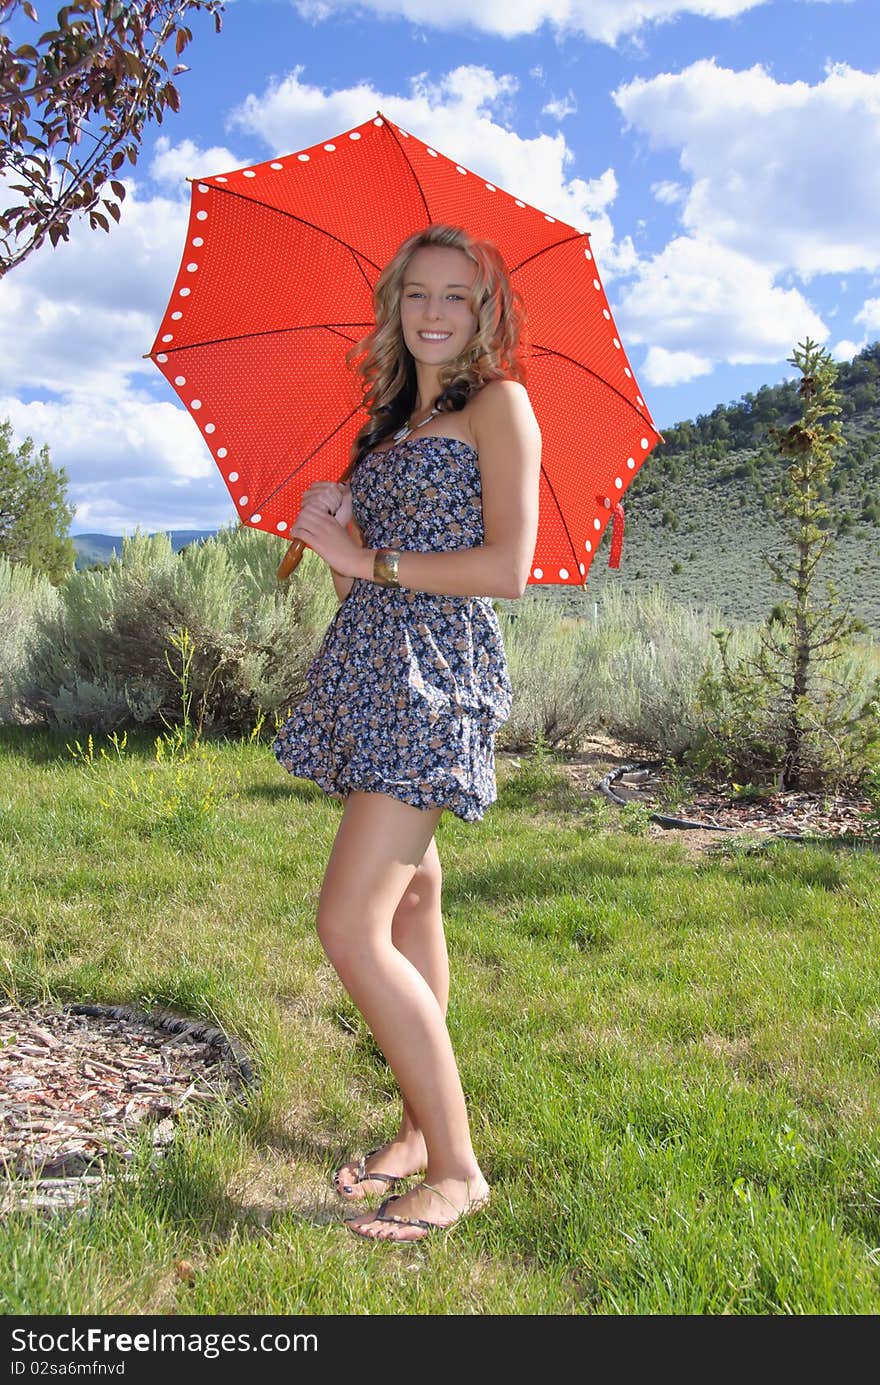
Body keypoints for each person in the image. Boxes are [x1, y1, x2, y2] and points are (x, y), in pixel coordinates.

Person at [273, 223, 541, 1242]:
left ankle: (460, 1170)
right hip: (375, 669)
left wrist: (372, 561)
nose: (432, 313)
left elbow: (506, 568)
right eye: (416, 294)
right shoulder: (388, 425)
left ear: (485, 314)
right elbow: (358, 578)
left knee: (349, 920)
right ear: (395, 303)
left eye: (456, 298)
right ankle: (420, 1131)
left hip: (435, 680)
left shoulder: (498, 408)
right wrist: (333, 529)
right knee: (413, 893)